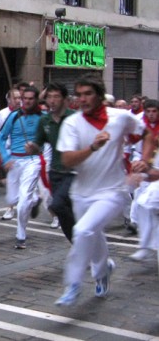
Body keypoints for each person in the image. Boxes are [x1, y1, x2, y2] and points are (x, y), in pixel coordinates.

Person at [54, 74, 152, 306]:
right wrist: (93, 147)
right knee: (93, 234)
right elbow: (67, 160)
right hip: (81, 192)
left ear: (99, 95)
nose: (83, 99)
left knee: (83, 231)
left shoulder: (120, 118)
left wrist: (145, 161)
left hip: (113, 190)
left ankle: (73, 284)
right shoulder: (72, 123)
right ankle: (104, 269)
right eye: (79, 95)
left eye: (88, 93)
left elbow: (147, 134)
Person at [25, 82, 77, 240]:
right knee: (64, 214)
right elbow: (38, 144)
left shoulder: (74, 118)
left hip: (73, 172)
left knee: (57, 205)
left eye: (56, 96)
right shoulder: (45, 121)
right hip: (55, 173)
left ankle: (83, 241)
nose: (52, 100)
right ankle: (79, 244)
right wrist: (32, 147)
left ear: (64, 99)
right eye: (49, 97)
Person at [0, 86, 43, 249]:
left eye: (31, 98)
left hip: (33, 160)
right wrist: (6, 157)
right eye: (25, 98)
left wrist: (39, 147)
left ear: (36, 99)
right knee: (11, 200)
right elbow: (1, 138)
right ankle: (36, 199)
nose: (28, 101)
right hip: (15, 161)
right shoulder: (13, 116)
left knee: (23, 200)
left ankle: (20, 235)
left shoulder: (43, 117)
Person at [126, 99, 159, 261]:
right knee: (143, 203)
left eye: (155, 111)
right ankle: (146, 246)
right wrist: (139, 166)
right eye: (149, 111)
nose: (151, 114)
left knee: (147, 203)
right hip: (150, 169)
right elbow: (139, 151)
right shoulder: (140, 124)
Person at [0, 88, 22, 220]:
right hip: (7, 152)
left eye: (20, 97)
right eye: (15, 98)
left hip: (23, 152)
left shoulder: (25, 113)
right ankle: (10, 208)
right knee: (11, 180)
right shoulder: (2, 114)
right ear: (8, 99)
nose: (18, 100)